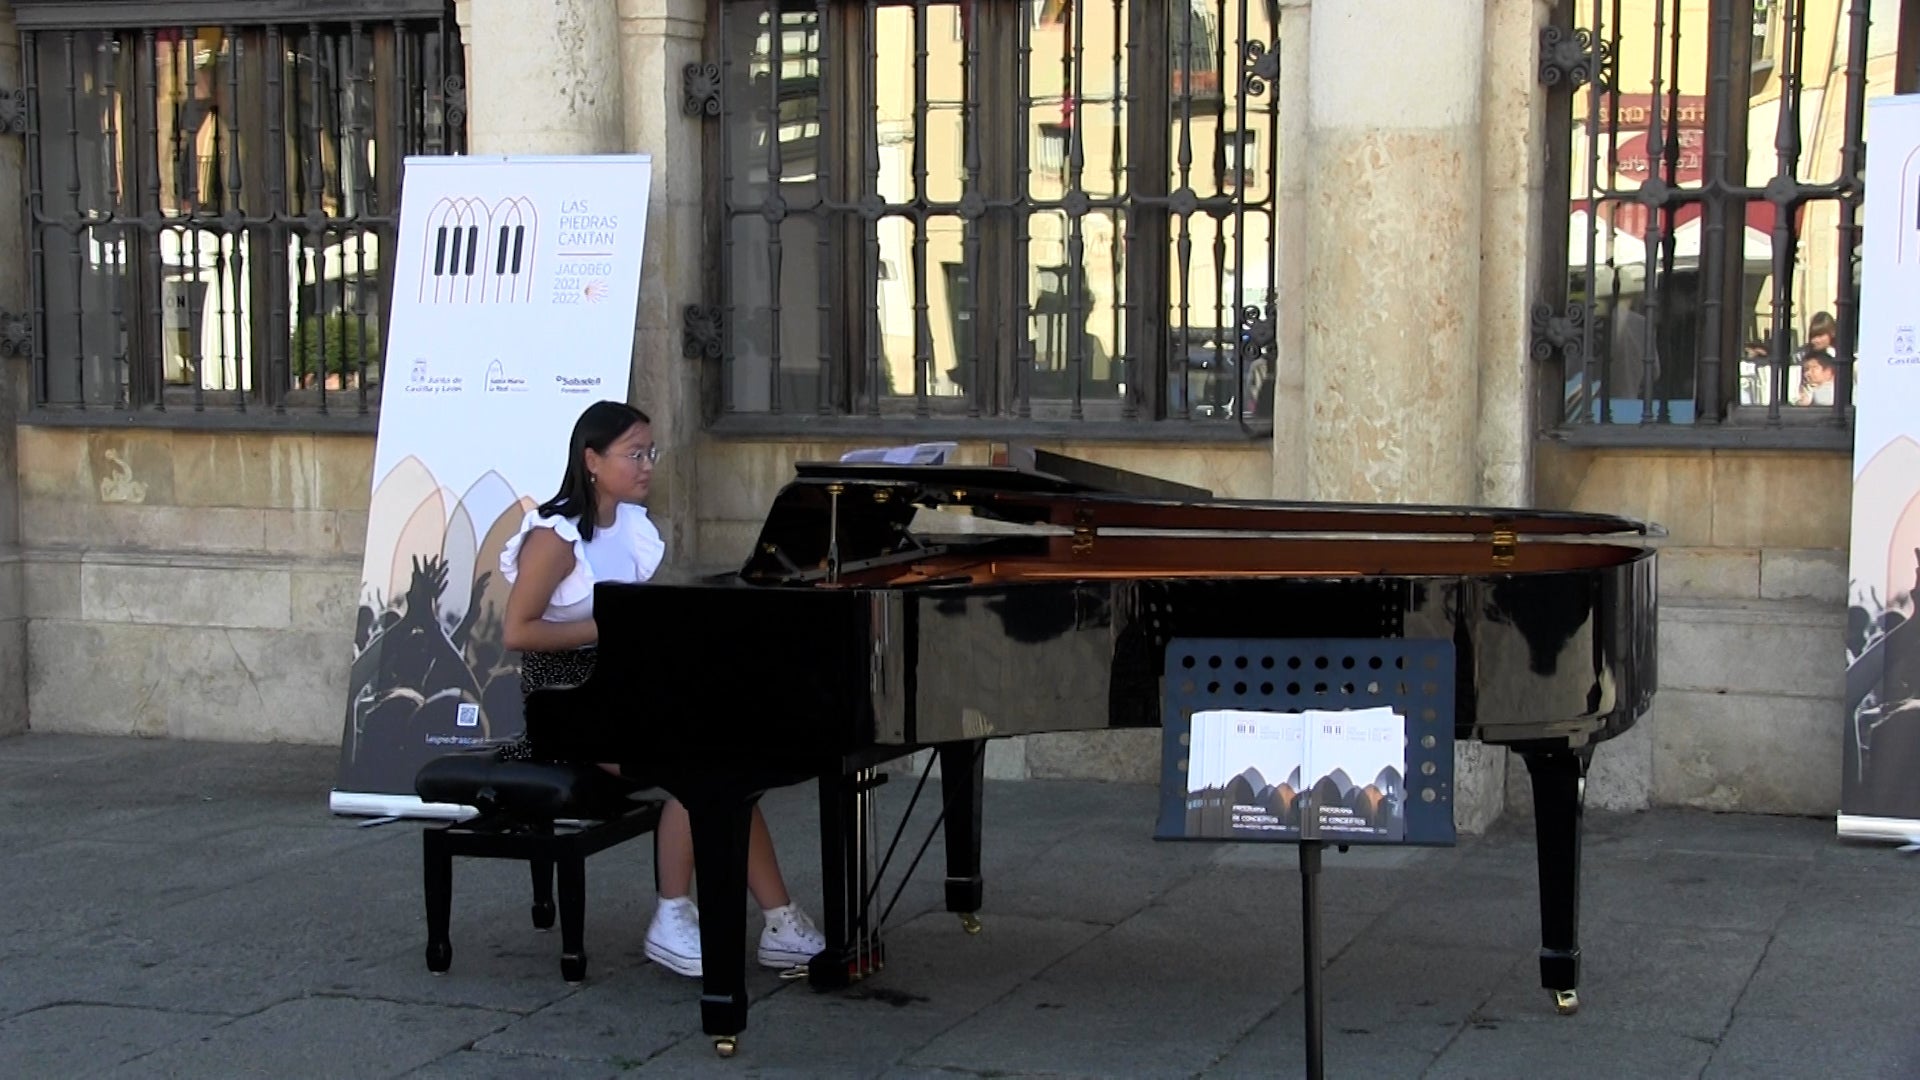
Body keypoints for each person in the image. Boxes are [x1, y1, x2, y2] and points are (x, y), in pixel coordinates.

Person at [497, 399, 825, 979]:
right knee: (693, 765)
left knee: (732, 757)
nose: (648, 465)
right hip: (564, 697)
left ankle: (780, 921)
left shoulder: (631, 527)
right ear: (592, 460)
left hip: (623, 685)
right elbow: (517, 631)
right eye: (635, 454)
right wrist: (609, 625)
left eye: (651, 452)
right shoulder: (554, 536)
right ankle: (672, 918)